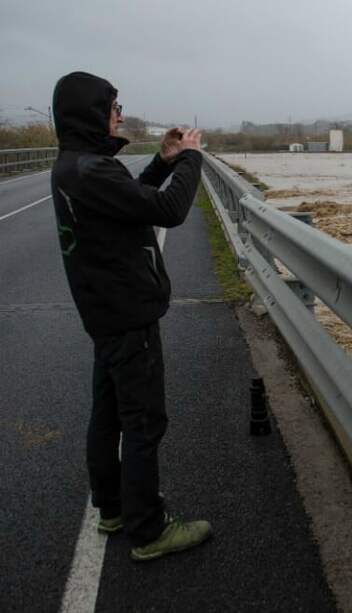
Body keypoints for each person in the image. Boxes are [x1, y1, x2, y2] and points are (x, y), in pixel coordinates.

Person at [51, 71, 210, 561]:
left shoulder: (79, 167)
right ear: (92, 112)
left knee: (108, 416)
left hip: (104, 312)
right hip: (127, 312)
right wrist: (191, 159)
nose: (119, 114)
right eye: (114, 106)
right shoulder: (91, 170)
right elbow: (166, 210)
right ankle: (148, 529)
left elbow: (132, 203)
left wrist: (163, 162)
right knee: (143, 421)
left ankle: (113, 508)